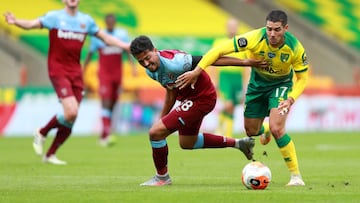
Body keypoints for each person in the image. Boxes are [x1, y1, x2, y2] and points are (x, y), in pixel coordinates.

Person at [176, 10, 308, 186]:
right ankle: (265, 128)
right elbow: (218, 50)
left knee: (278, 128)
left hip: (280, 85)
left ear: (285, 28)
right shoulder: (254, 38)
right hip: (257, 86)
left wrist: (291, 99)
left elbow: (302, 78)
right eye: (269, 29)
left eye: (277, 30)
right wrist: (197, 71)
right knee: (251, 131)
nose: (272, 34)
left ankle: (295, 176)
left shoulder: (295, 47)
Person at [130, 35, 268, 186]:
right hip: (190, 100)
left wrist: (245, 62)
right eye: (141, 61)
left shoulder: (176, 62)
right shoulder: (151, 71)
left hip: (203, 97)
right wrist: (162, 119)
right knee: (188, 142)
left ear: (155, 50)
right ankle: (240, 144)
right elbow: (171, 92)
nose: (146, 63)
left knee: (155, 133)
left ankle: (162, 178)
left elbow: (210, 59)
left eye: (148, 57)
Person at [3, 0, 130, 165]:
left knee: (72, 118)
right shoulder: (54, 17)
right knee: (71, 112)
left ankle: (50, 154)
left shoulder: (86, 21)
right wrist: (16, 21)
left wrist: (126, 45)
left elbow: (105, 38)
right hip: (58, 70)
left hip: (76, 73)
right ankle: (42, 132)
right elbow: (32, 24)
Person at [83, 13, 136, 147]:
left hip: (118, 75)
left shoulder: (121, 35)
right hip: (104, 75)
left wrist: (133, 66)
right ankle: (107, 134)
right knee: (106, 102)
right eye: (108, 21)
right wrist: (83, 70)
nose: (110, 23)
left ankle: (104, 134)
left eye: (112, 21)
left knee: (112, 104)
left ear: (115, 22)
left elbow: (127, 51)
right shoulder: (99, 36)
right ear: (106, 22)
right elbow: (90, 54)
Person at [210, 17, 251, 137]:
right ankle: (222, 130)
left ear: (237, 27)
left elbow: (247, 65)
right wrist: (214, 79)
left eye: (234, 26)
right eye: (230, 26)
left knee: (233, 105)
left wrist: (246, 83)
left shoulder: (243, 44)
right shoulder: (218, 42)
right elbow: (212, 61)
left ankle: (227, 132)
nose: (232, 28)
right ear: (226, 27)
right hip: (225, 77)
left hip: (237, 77)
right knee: (228, 104)